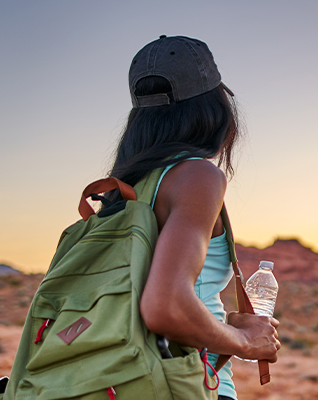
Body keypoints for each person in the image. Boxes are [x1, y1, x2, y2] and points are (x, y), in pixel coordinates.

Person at [111, 35, 279, 400]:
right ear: (213, 108)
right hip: (185, 386)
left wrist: (222, 325)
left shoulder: (120, 190)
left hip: (119, 383)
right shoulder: (196, 176)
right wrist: (246, 341)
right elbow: (164, 306)